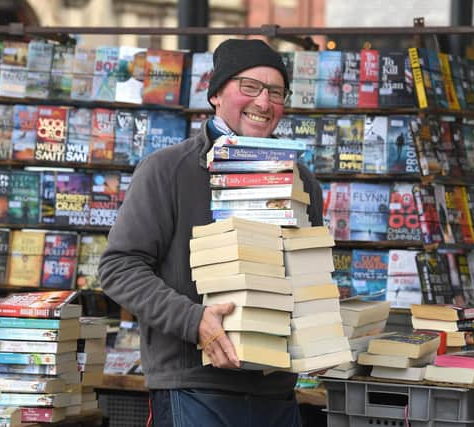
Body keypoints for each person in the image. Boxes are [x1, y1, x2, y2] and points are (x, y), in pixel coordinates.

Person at [99, 38, 323, 427]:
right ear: (217, 93)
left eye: (275, 92)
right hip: (194, 388)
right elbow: (119, 268)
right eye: (249, 87)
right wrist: (194, 321)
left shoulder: (300, 181)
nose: (264, 103)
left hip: (277, 392)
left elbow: (308, 275)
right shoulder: (168, 170)